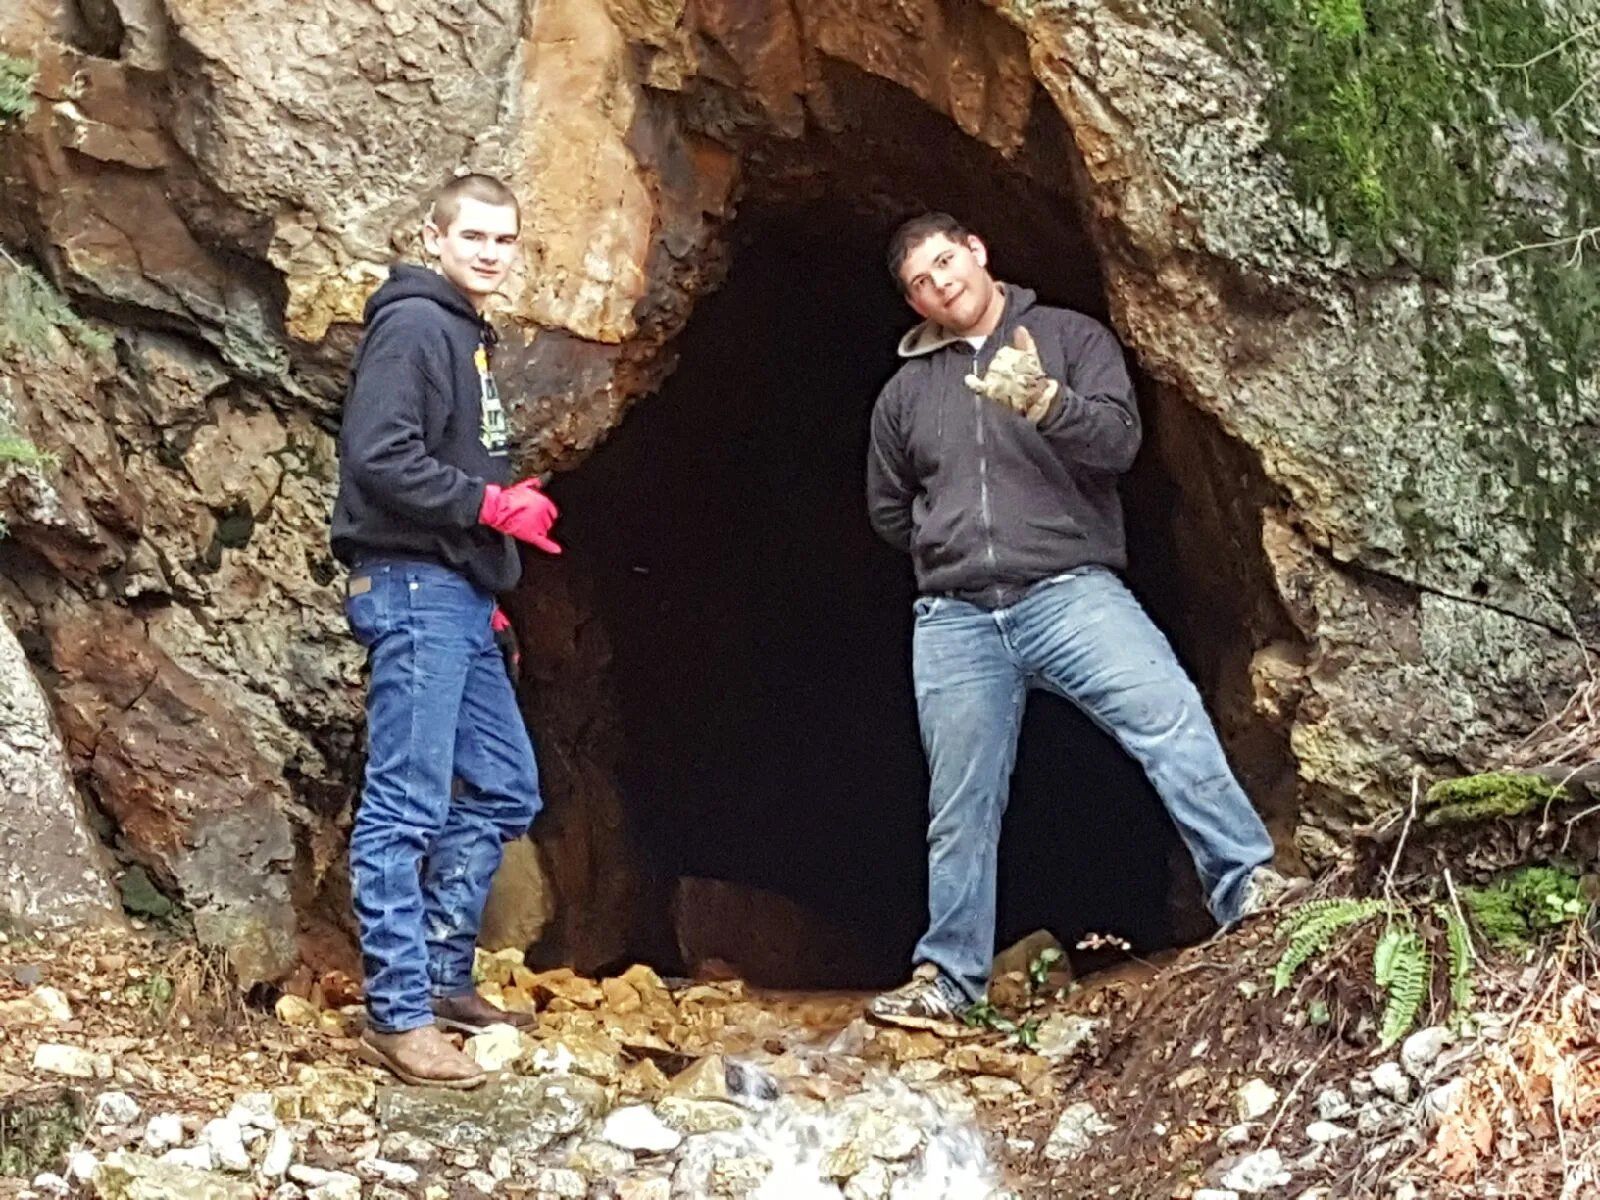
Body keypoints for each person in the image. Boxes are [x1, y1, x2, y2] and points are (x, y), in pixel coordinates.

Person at [864, 212, 1302, 1031]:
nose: (941, 282)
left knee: (1169, 721)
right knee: (959, 804)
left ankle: (1247, 887)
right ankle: (949, 980)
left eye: (947, 260)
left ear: (979, 250)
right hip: (957, 617)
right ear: (913, 301)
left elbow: (1119, 445)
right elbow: (889, 508)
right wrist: (948, 545)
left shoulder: (1066, 338)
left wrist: (1045, 403)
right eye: (920, 280)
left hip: (1068, 590)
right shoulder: (903, 395)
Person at [331, 173, 560, 1087]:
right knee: (405, 802)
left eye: (506, 240)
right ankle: (396, 1014)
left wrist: (488, 582)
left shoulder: (467, 335)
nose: (492, 253)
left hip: (455, 596)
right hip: (413, 589)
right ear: (436, 237)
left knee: (505, 786)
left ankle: (436, 976)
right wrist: (489, 506)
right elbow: (378, 457)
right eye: (475, 237)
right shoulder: (416, 324)